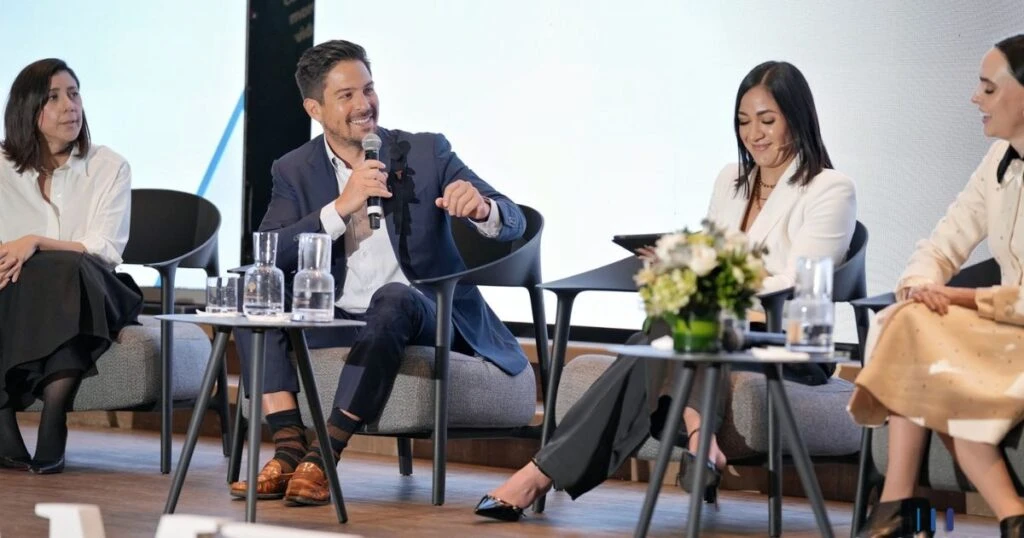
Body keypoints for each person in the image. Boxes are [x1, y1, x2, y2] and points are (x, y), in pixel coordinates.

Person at [474, 60, 857, 521]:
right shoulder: (731, 181)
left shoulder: (830, 188)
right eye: (743, 121)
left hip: (785, 341)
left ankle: (539, 474)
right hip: (717, 333)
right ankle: (701, 438)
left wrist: (710, 275)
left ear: (797, 117)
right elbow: (712, 253)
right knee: (677, 317)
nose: (754, 134)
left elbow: (803, 279)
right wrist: (678, 263)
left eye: (767, 120)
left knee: (660, 334)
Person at [228, 39, 529, 506]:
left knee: (393, 296)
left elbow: (514, 219)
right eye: (346, 96)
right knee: (255, 289)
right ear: (315, 108)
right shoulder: (294, 169)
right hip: (338, 319)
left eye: (368, 89)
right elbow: (272, 252)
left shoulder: (425, 152)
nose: (364, 105)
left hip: (424, 312)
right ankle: (288, 449)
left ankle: (324, 454)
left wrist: (483, 208)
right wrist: (339, 208)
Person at [848, 34, 1024, 538]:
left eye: (988, 89)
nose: (975, 98)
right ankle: (1006, 515)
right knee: (914, 318)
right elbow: (943, 241)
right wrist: (923, 285)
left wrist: (959, 297)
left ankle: (902, 507)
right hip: (1003, 330)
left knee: (919, 337)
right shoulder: (997, 162)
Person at [0, 58, 141, 474]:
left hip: (97, 287)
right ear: (28, 110)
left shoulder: (109, 166)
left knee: (65, 267)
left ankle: (54, 412)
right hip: (20, 292)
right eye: (54, 98)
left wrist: (36, 242)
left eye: (74, 94)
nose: (70, 106)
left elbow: (104, 248)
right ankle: (4, 417)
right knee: (25, 276)